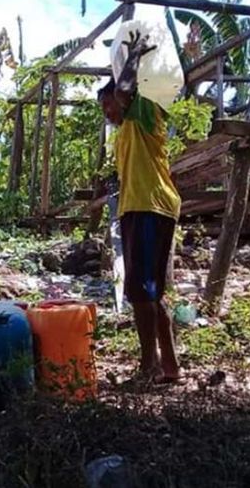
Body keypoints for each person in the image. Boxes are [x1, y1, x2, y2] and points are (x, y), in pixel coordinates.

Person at [97, 31, 182, 385]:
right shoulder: (128, 129)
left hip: (148, 206)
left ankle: (148, 368)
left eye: (109, 106)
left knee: (139, 291)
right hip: (147, 206)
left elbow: (126, 91)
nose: (109, 112)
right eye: (104, 109)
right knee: (151, 292)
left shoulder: (144, 111)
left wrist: (132, 57)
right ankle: (170, 367)